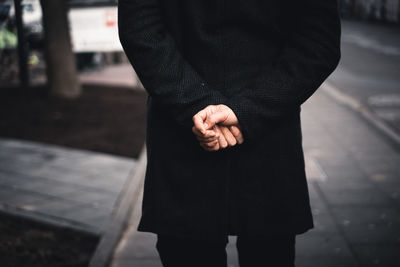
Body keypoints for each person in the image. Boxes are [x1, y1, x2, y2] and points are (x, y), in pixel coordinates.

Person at [118, 0, 341, 266]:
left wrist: (197, 104)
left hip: (186, 131)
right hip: (267, 131)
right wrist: (249, 109)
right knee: (269, 251)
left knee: (189, 251)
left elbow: (142, 31)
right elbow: (317, 41)